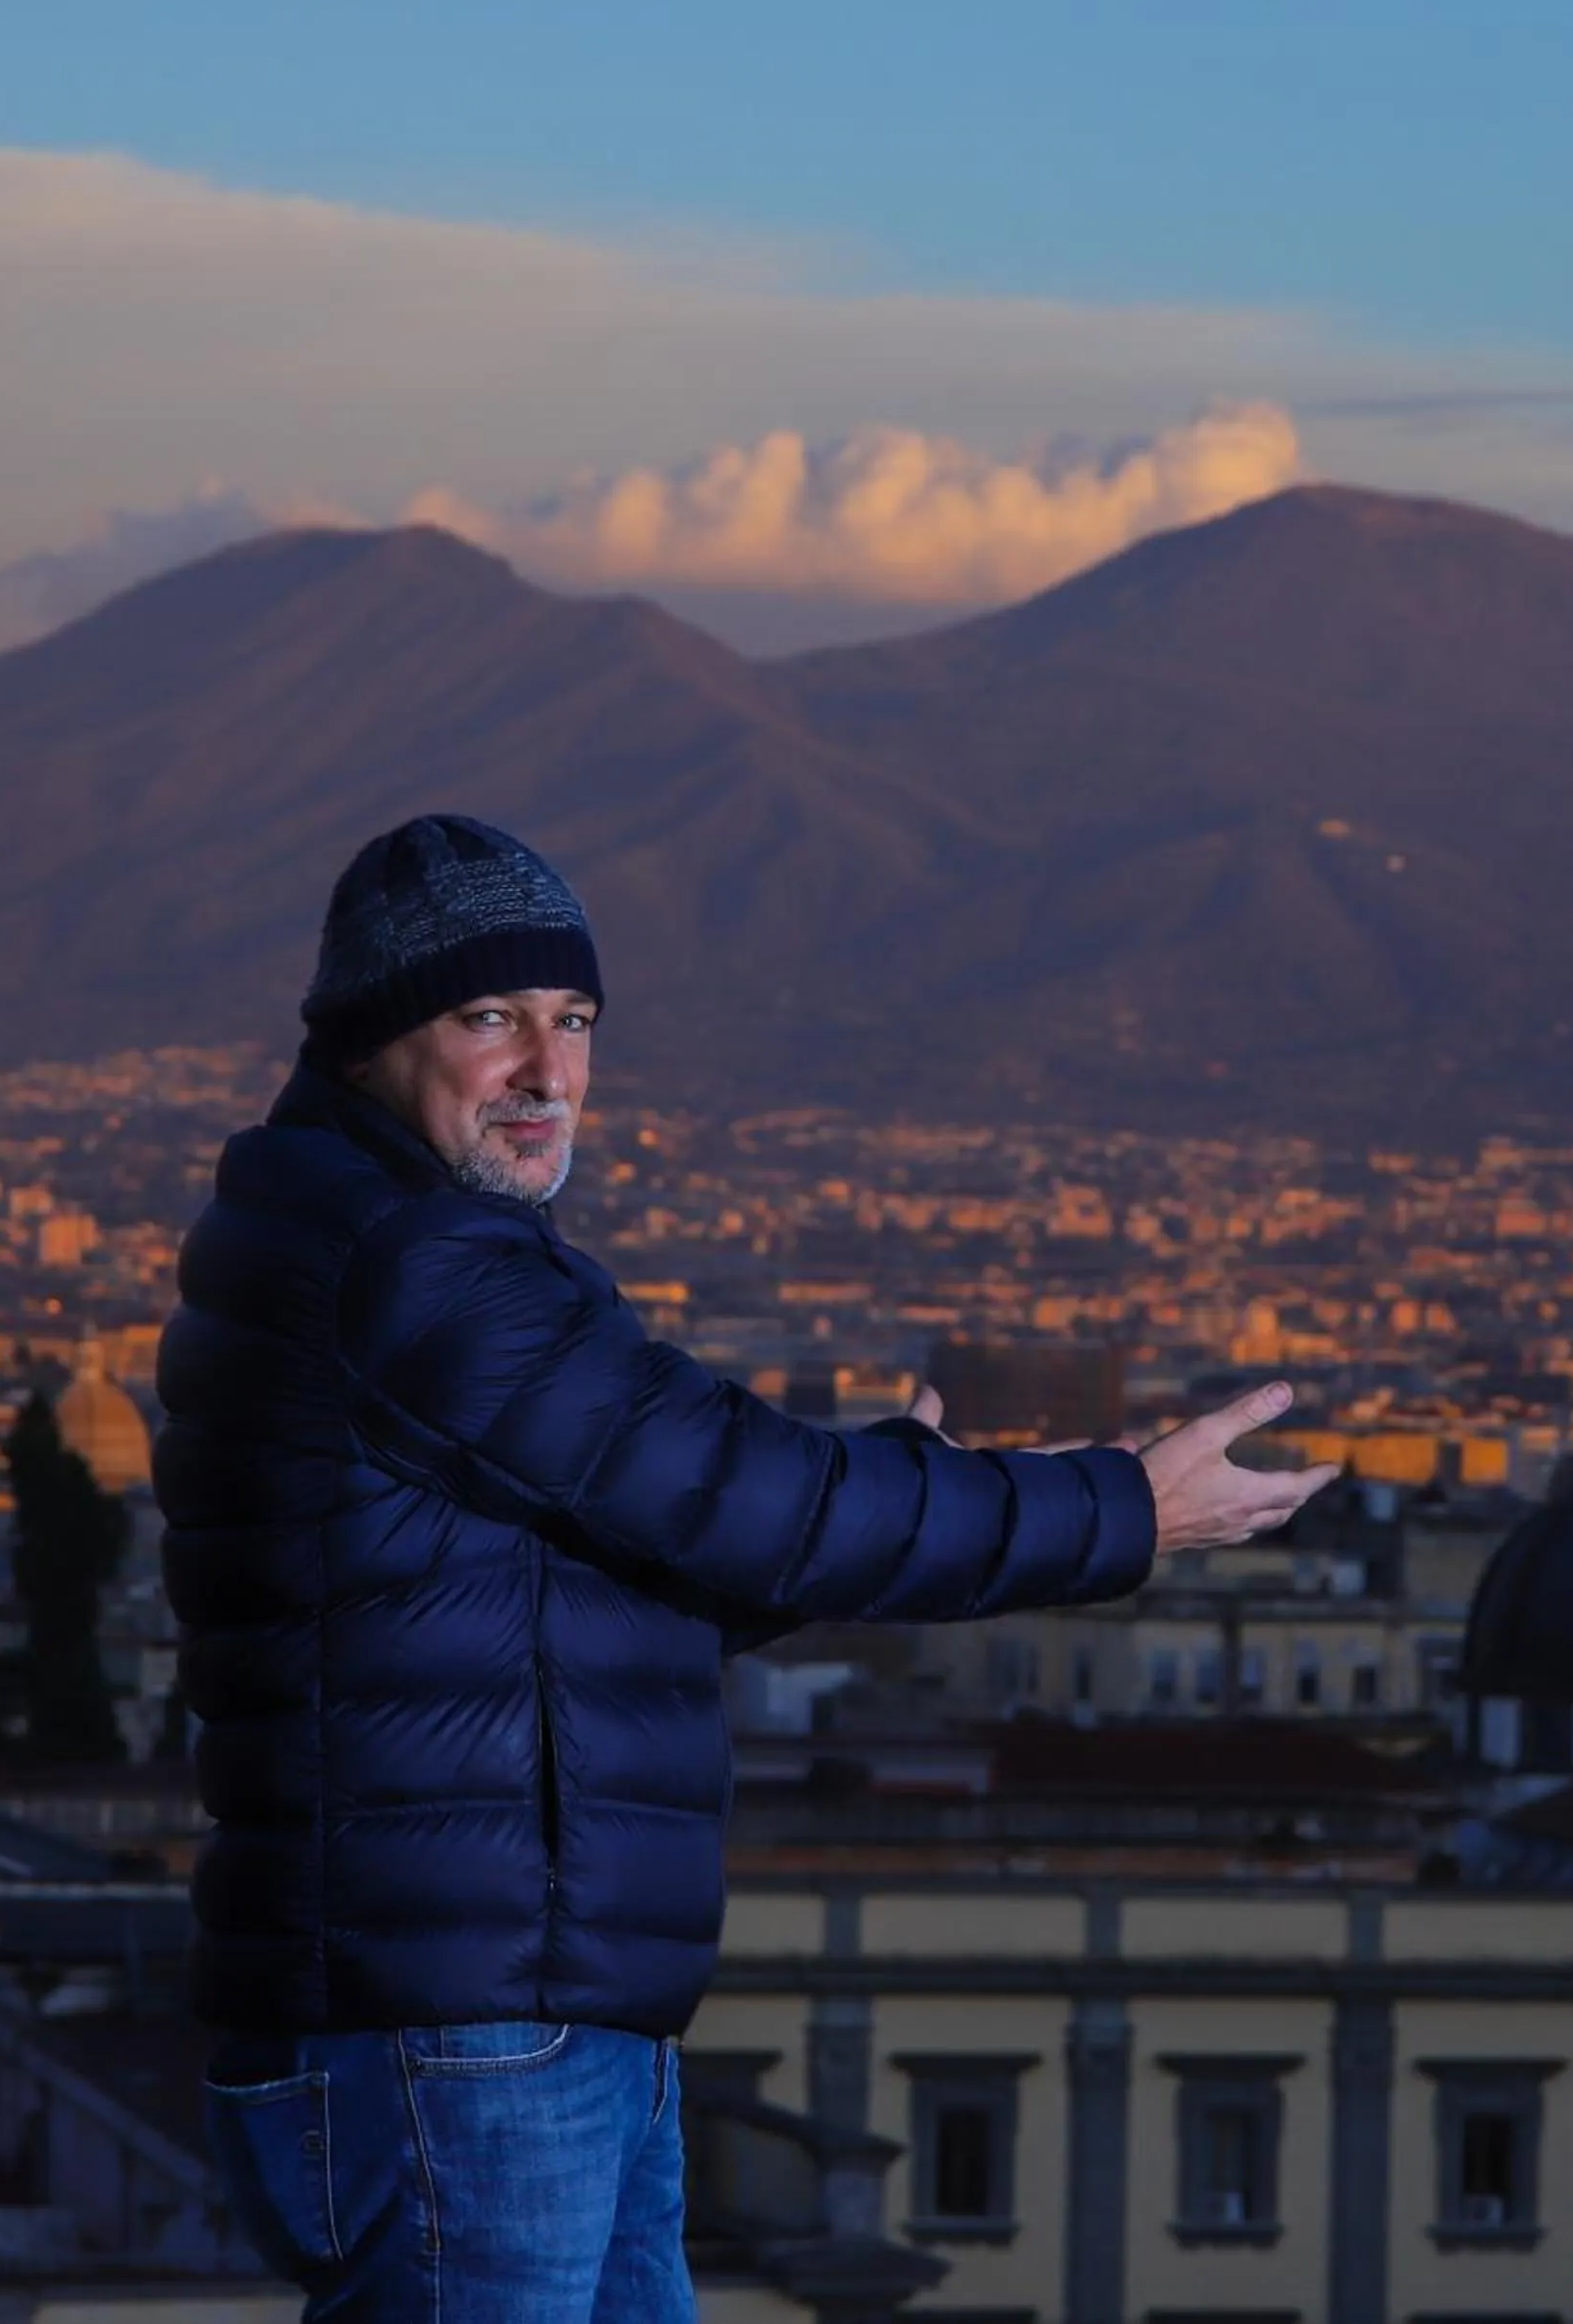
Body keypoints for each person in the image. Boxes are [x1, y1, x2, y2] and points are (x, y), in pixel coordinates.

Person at [155, 814, 1332, 2321]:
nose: (548, 1070)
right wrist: (1124, 1510)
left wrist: (882, 1491)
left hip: (510, 2004)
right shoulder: (417, 1262)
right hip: (462, 2026)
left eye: (573, 1019)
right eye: (489, 1017)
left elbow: (643, 1549)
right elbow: (739, 1495)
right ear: (374, 1035)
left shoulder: (362, 1235)